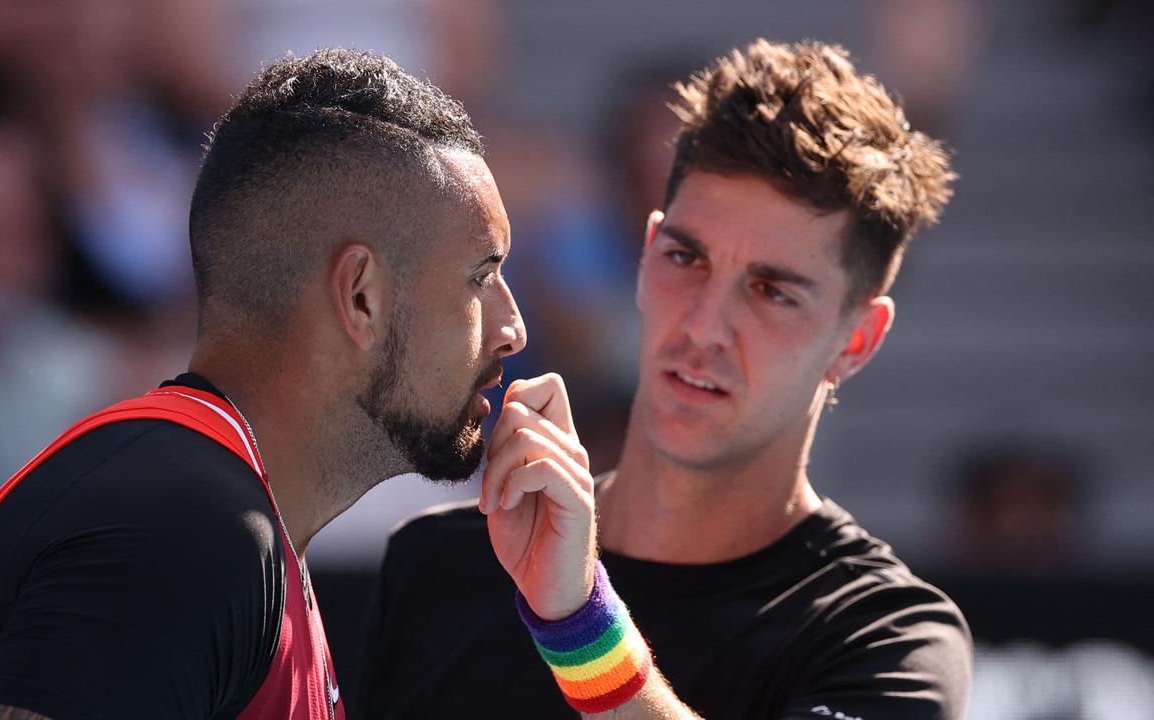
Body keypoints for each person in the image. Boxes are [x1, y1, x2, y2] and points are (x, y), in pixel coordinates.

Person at [0, 48, 526, 719]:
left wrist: (575, 620)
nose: (513, 329)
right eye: (480, 277)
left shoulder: (228, 528)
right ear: (361, 296)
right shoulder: (183, 533)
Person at [355, 39, 971, 719]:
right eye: (686, 257)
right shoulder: (435, 563)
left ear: (857, 340)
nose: (705, 325)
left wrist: (579, 625)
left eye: (771, 290)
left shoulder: (888, 635)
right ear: (646, 256)